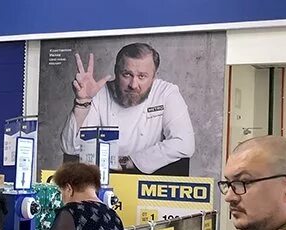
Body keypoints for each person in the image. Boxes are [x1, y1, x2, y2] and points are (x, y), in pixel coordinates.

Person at [60, 43, 195, 175]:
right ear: (116, 72)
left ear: (154, 77)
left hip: (148, 182)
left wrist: (127, 161)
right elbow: (71, 148)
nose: (133, 85)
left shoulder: (166, 93)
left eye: (142, 76)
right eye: (127, 74)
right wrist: (82, 101)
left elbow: (184, 144)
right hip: (104, 178)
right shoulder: (98, 93)